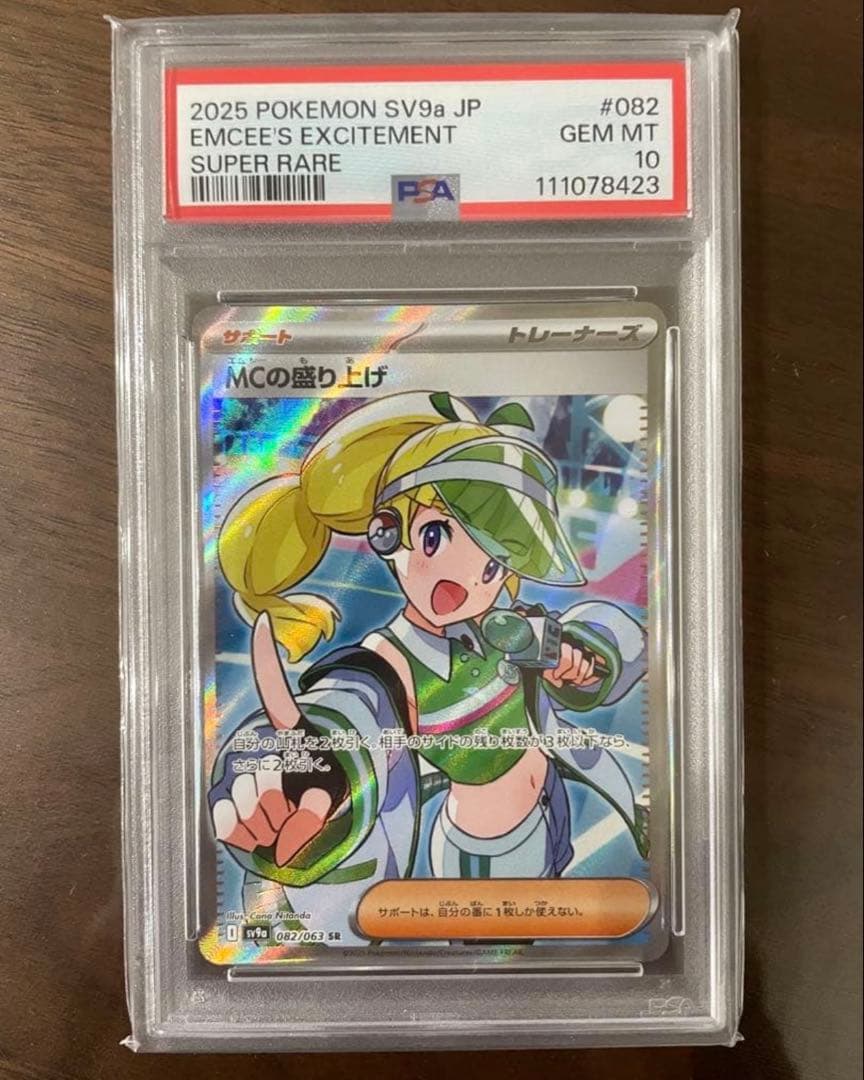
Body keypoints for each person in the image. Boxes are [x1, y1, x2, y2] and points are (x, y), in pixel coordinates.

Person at [209, 391, 647, 943]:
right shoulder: (388, 662)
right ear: (388, 534)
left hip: (546, 830)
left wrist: (583, 655)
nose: (464, 578)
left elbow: (610, 632)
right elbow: (349, 709)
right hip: (482, 857)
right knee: (493, 966)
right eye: (435, 536)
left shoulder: (510, 631)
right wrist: (304, 769)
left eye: (493, 563)